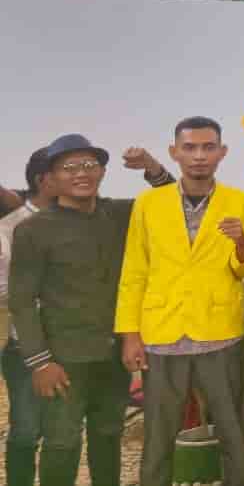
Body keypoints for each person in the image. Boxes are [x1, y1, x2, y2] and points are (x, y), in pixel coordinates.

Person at [9, 137, 172, 486]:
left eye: (89, 165)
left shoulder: (120, 214)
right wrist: (40, 362)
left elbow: (171, 200)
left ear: (102, 171)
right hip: (63, 359)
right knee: (61, 442)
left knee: (108, 435)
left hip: (114, 354)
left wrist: (151, 167)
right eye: (69, 167)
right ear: (51, 177)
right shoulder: (33, 230)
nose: (81, 173)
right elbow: (21, 301)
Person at [116, 117, 244, 486]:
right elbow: (134, 270)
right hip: (162, 334)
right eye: (190, 147)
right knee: (158, 436)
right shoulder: (149, 203)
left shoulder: (239, 201)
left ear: (222, 152)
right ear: (175, 152)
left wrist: (241, 242)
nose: (199, 155)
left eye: (208, 147)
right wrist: (130, 334)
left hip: (220, 333)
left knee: (234, 431)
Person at [0, 148, 51, 486]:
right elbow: (4, 288)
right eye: (65, 169)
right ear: (43, 179)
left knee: (59, 430)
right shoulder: (10, 227)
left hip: (69, 342)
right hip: (24, 345)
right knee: (27, 427)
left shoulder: (81, 220)